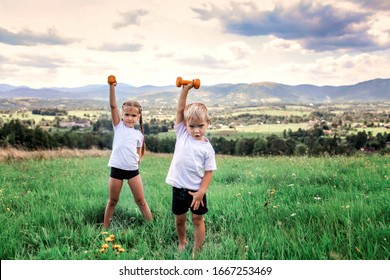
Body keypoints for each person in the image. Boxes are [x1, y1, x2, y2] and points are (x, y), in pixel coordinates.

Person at [166, 81, 217, 257]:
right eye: (192, 126)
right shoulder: (182, 134)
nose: (196, 131)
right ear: (185, 125)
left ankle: (197, 251)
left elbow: (209, 172)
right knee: (180, 220)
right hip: (179, 189)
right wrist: (185, 89)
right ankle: (182, 242)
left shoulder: (207, 148)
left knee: (197, 219)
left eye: (200, 126)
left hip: (197, 191)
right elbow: (180, 109)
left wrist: (201, 192)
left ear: (207, 123)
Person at [104, 80, 152, 228]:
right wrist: (112, 87)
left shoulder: (139, 135)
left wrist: (136, 162)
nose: (130, 118)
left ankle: (151, 225)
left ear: (138, 117)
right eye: (127, 114)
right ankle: (105, 228)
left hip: (132, 171)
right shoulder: (118, 126)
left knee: (141, 201)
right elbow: (112, 105)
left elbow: (138, 154)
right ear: (122, 115)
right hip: (117, 169)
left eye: (133, 115)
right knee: (112, 201)